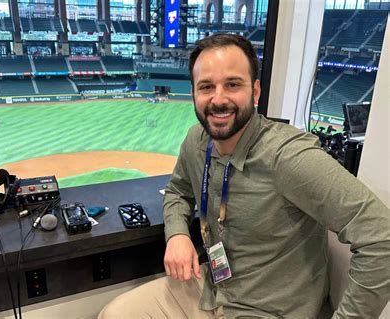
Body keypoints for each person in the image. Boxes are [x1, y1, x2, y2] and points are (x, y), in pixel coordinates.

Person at [98, 34, 389, 318]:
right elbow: (177, 191)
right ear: (194, 94)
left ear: (256, 91)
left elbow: (382, 238)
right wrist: (176, 234)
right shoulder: (196, 140)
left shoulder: (288, 156)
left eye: (233, 84)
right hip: (212, 290)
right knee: (114, 313)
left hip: (270, 309)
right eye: (206, 86)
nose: (218, 99)